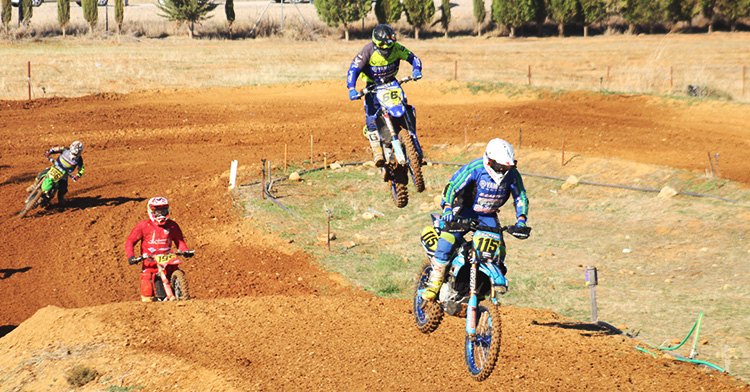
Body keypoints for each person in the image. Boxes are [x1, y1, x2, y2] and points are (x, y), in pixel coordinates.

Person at [422, 138, 531, 301]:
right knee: (447, 241)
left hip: (488, 215)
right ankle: (434, 283)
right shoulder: (476, 168)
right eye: (500, 166)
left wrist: (521, 220)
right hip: (463, 210)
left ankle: (480, 286)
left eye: (507, 166)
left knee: (498, 251)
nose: (502, 170)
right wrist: (447, 208)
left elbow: (520, 196)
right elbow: (452, 185)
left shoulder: (512, 175)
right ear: (489, 160)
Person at [347, 24, 424, 167]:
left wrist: (416, 69)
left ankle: (413, 142)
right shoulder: (367, 51)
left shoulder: (397, 48)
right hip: (372, 87)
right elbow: (353, 69)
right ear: (377, 44)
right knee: (371, 116)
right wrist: (352, 88)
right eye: (384, 46)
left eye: (390, 45)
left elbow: (413, 58)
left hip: (392, 84)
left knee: (405, 107)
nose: (388, 49)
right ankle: (377, 149)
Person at [125, 197, 193, 302]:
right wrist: (131, 256)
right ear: (151, 211)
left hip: (168, 260)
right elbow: (130, 241)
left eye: (163, 211)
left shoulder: (172, 226)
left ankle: (181, 295)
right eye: (157, 211)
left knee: (178, 271)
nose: (160, 214)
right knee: (147, 286)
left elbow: (179, 241)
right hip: (150, 262)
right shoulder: (143, 226)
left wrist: (185, 250)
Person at [39, 141, 85, 206]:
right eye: (73, 153)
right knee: (41, 173)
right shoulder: (65, 149)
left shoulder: (79, 159)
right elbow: (55, 149)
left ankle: (60, 198)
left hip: (64, 174)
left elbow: (81, 169)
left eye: (76, 154)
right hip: (55, 167)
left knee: (63, 188)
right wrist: (48, 152)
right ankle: (34, 185)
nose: (73, 155)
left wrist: (77, 175)